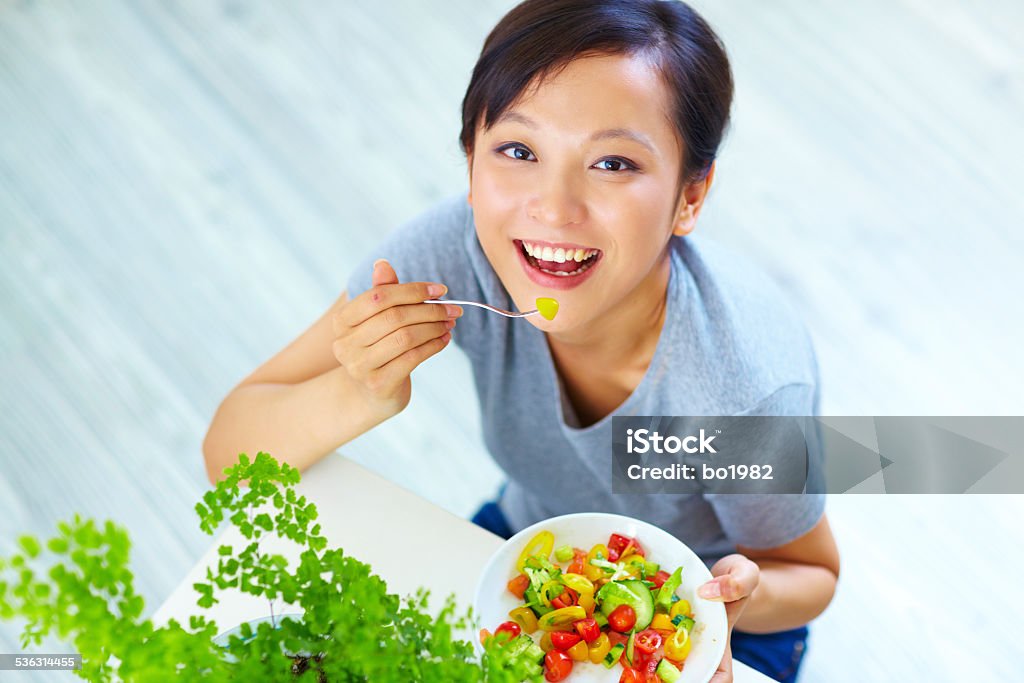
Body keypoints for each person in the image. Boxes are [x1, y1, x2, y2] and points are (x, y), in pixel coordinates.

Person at [202, 1, 839, 680]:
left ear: (691, 195)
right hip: (531, 543)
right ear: (471, 162)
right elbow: (229, 455)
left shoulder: (739, 389)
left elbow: (809, 572)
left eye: (614, 163)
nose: (554, 208)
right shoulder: (456, 255)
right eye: (518, 150)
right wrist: (357, 392)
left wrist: (729, 595)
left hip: (715, 619)